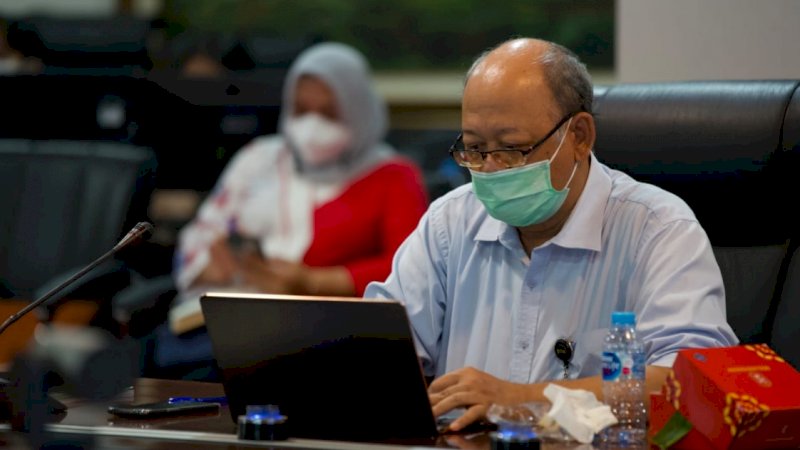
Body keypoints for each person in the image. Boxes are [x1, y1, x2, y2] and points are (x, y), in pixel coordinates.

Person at [364, 37, 738, 431]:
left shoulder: (658, 230)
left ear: (579, 137)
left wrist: (519, 399)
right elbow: (379, 351)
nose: (490, 169)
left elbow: (688, 383)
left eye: (512, 148)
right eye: (474, 148)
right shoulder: (449, 223)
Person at [147, 42, 428, 380]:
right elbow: (205, 231)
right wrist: (213, 263)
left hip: (322, 332)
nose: (312, 125)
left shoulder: (394, 175)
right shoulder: (261, 159)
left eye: (328, 113)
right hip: (231, 318)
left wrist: (312, 282)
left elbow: (412, 270)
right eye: (301, 110)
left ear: (359, 111)